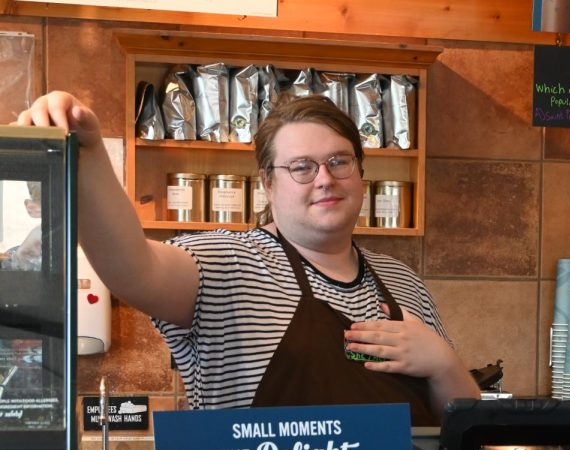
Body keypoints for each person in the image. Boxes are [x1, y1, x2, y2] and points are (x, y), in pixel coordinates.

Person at [16, 91, 479, 422]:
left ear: (360, 173)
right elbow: (132, 270)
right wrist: (90, 154)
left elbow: (469, 434)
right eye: (301, 166)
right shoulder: (226, 263)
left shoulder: (401, 282)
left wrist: (444, 363)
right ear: (267, 183)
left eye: (339, 161)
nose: (324, 178)